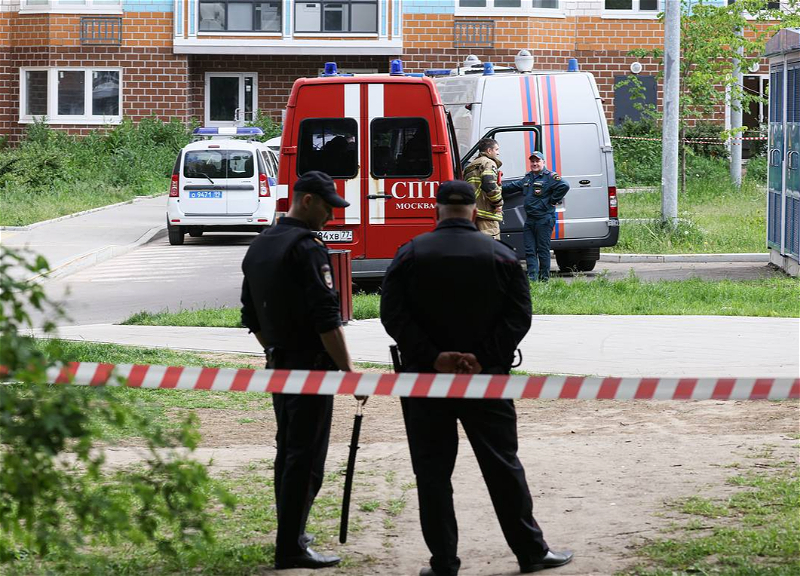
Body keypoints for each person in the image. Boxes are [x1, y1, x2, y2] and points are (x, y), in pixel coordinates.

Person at [380, 179, 573, 576]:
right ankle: (531, 552)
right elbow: (518, 316)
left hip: (426, 380)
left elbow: (393, 316)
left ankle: (444, 562)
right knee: (502, 465)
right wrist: (482, 358)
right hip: (486, 380)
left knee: (432, 474)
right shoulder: (500, 255)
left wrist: (434, 357)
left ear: (436, 210)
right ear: (473, 211)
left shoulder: (410, 254)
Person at [240, 170, 355, 570]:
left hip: (280, 365)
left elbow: (250, 316)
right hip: (311, 369)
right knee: (306, 459)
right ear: (307, 201)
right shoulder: (307, 249)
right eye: (327, 207)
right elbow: (327, 319)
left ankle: (292, 532)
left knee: (288, 451)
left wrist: (276, 351)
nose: (331, 216)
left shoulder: (261, 244)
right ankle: (290, 546)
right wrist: (347, 370)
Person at [502, 151, 570, 282]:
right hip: (530, 220)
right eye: (532, 161)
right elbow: (514, 186)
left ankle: (544, 280)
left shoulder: (550, 176)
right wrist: (496, 187)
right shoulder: (528, 177)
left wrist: (552, 200)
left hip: (544, 219)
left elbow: (564, 185)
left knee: (543, 250)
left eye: (537, 161)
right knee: (529, 250)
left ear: (543, 162)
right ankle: (532, 279)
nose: (534, 164)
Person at [463, 137, 503, 240]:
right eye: (496, 149)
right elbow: (489, 184)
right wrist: (498, 203)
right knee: (490, 246)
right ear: (489, 150)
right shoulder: (489, 163)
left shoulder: (470, 166)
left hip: (473, 213)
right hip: (487, 215)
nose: (498, 153)